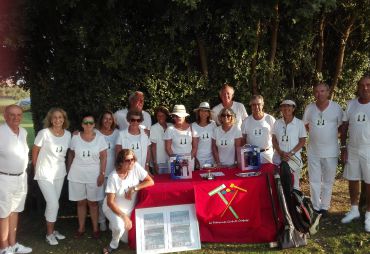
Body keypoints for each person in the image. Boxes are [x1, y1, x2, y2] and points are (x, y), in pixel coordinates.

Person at [32, 108, 72, 245]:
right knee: (53, 203)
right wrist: (36, 168)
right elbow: (35, 150)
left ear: (64, 119)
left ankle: (52, 230)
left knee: (53, 203)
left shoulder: (68, 134)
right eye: (54, 117)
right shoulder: (44, 133)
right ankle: (49, 234)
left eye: (60, 117)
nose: (57, 120)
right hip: (44, 174)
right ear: (50, 119)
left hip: (59, 173)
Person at [102, 149, 154, 254]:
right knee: (119, 227)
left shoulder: (136, 167)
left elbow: (150, 181)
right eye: (128, 160)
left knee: (127, 239)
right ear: (120, 162)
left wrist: (134, 188)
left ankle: (114, 226)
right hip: (112, 208)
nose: (131, 162)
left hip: (129, 209)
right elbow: (110, 203)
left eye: (133, 159)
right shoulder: (113, 177)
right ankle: (113, 245)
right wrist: (124, 217)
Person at [303, 83, 343, 216]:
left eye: (322, 91)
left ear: (328, 92)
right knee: (314, 180)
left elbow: (341, 127)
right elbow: (306, 125)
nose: (319, 94)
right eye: (316, 91)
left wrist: (329, 136)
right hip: (313, 151)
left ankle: (324, 207)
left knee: (328, 181)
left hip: (331, 151)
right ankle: (315, 206)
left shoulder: (336, 108)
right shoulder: (309, 108)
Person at [67, 113, 107, 239]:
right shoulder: (75, 137)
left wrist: (102, 173)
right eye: (86, 123)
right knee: (80, 202)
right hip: (77, 174)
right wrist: (69, 170)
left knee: (93, 203)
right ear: (82, 125)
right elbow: (71, 154)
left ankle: (95, 228)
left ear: (94, 125)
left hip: (94, 175)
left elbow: (104, 156)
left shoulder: (100, 138)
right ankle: (81, 228)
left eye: (91, 123)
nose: (88, 125)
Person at [0, 105, 32, 254]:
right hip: (4, 179)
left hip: (21, 178)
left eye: (19, 115)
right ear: (5, 116)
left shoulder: (23, 132)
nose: (16, 118)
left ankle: (13, 244)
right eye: (12, 115)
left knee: (15, 211)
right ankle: (4, 248)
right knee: (3, 213)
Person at [340, 75, 370, 232]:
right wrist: (343, 147)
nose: (365, 88)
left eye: (368, 85)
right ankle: (354, 210)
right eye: (362, 85)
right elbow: (344, 127)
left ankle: (369, 216)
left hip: (369, 148)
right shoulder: (351, 104)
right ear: (358, 86)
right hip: (352, 148)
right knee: (353, 179)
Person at [272, 100, 307, 190]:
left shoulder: (299, 123)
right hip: (278, 159)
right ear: (281, 109)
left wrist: (290, 153)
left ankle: (295, 204)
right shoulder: (277, 123)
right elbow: (274, 140)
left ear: (293, 108)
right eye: (283, 106)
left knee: (295, 186)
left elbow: (302, 141)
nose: (286, 108)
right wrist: (280, 153)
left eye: (289, 106)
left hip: (294, 159)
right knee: (279, 186)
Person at [96, 111, 120, 231]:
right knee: (100, 199)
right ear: (101, 120)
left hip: (113, 171)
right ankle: (101, 221)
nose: (107, 121)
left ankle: (112, 221)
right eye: (105, 119)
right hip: (99, 170)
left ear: (113, 121)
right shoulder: (95, 133)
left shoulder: (117, 133)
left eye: (110, 119)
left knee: (112, 199)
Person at [241, 95, 275, 164]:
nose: (256, 107)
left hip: (267, 155)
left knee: (269, 174)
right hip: (252, 155)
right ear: (251, 106)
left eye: (258, 104)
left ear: (262, 105)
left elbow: (276, 138)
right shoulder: (246, 121)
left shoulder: (270, 119)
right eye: (254, 105)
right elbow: (243, 140)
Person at [192, 102, 216, 168]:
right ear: (198, 112)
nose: (203, 113)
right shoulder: (194, 125)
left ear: (209, 113)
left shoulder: (213, 124)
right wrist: (195, 159)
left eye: (206, 111)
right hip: (199, 158)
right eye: (201, 111)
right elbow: (194, 146)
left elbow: (215, 142)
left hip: (211, 158)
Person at [150, 106, 172, 174]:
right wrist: (155, 162)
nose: (160, 117)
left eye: (162, 115)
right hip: (159, 161)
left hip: (170, 159)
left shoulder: (171, 126)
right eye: (158, 116)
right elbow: (153, 146)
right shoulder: (153, 128)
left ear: (166, 116)